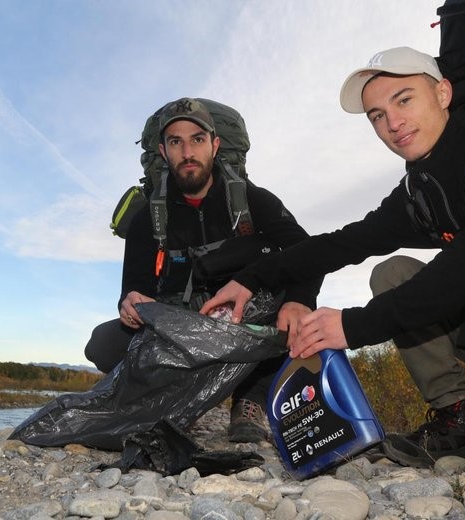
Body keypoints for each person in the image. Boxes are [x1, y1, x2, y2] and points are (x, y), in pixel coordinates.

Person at [200, 47, 465, 481]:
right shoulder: (419, 192)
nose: (392, 123)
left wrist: (354, 326)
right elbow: (342, 243)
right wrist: (250, 279)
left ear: (443, 93)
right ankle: (460, 420)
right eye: (376, 115)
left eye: (404, 99)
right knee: (392, 275)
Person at [85, 97, 322, 443]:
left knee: (294, 311)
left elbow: (310, 254)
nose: (187, 152)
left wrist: (300, 301)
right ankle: (178, 399)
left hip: (246, 322)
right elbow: (132, 287)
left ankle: (250, 401)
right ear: (164, 153)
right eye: (175, 142)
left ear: (215, 145)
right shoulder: (145, 220)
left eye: (197, 139)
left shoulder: (254, 201)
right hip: (183, 329)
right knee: (102, 345)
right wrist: (129, 302)